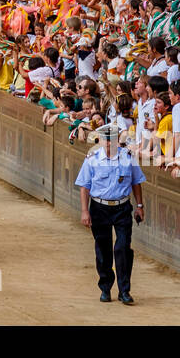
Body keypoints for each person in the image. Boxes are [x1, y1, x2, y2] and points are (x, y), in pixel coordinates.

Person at [74, 121, 146, 304]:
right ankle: (105, 288)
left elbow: (136, 183)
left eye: (111, 140)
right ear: (100, 140)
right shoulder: (92, 158)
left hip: (122, 208)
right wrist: (84, 211)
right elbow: (84, 186)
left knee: (122, 248)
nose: (108, 144)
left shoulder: (128, 157)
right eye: (105, 140)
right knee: (103, 249)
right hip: (99, 208)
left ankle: (124, 291)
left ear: (117, 141)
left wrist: (140, 206)